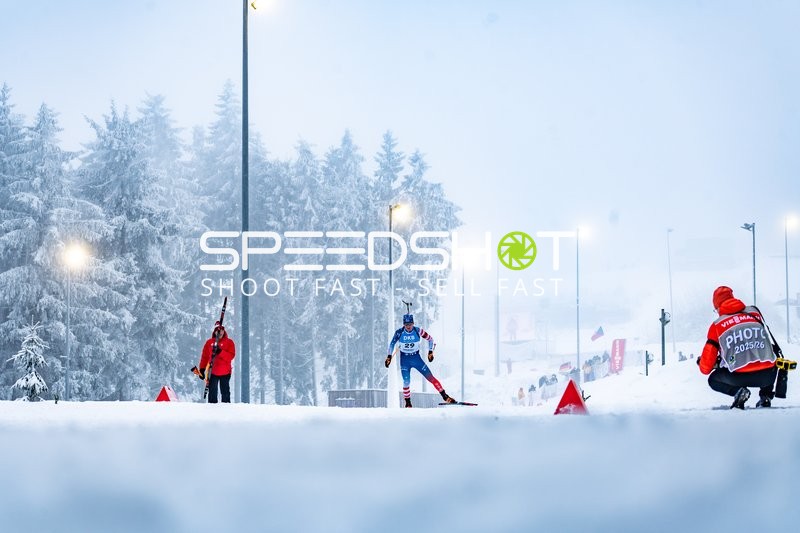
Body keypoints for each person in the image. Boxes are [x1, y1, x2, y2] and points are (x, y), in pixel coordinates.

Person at [698, 286, 777, 409]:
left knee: (713, 379)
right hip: (768, 376)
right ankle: (765, 397)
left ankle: (738, 392)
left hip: (739, 377)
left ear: (718, 307)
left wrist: (711, 362)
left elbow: (705, 369)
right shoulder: (755, 312)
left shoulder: (717, 326)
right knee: (766, 359)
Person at [386, 313, 456, 407]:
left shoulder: (418, 330)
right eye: (406, 325)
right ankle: (408, 403)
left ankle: (445, 396)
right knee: (406, 381)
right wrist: (389, 356)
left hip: (416, 359)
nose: (408, 327)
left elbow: (430, 339)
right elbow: (392, 344)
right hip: (405, 360)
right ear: (404, 324)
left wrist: (430, 352)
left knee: (431, 378)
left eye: (410, 324)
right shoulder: (399, 332)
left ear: (413, 323)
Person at [198, 321, 236, 403]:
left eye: (222, 330)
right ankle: (212, 410)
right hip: (212, 372)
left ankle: (226, 409)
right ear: (214, 331)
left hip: (225, 372)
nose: (220, 332)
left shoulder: (229, 342)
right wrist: (202, 369)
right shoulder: (209, 343)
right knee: (212, 393)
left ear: (224, 331)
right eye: (218, 330)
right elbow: (204, 357)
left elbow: (231, 356)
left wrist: (220, 352)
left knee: (225, 392)